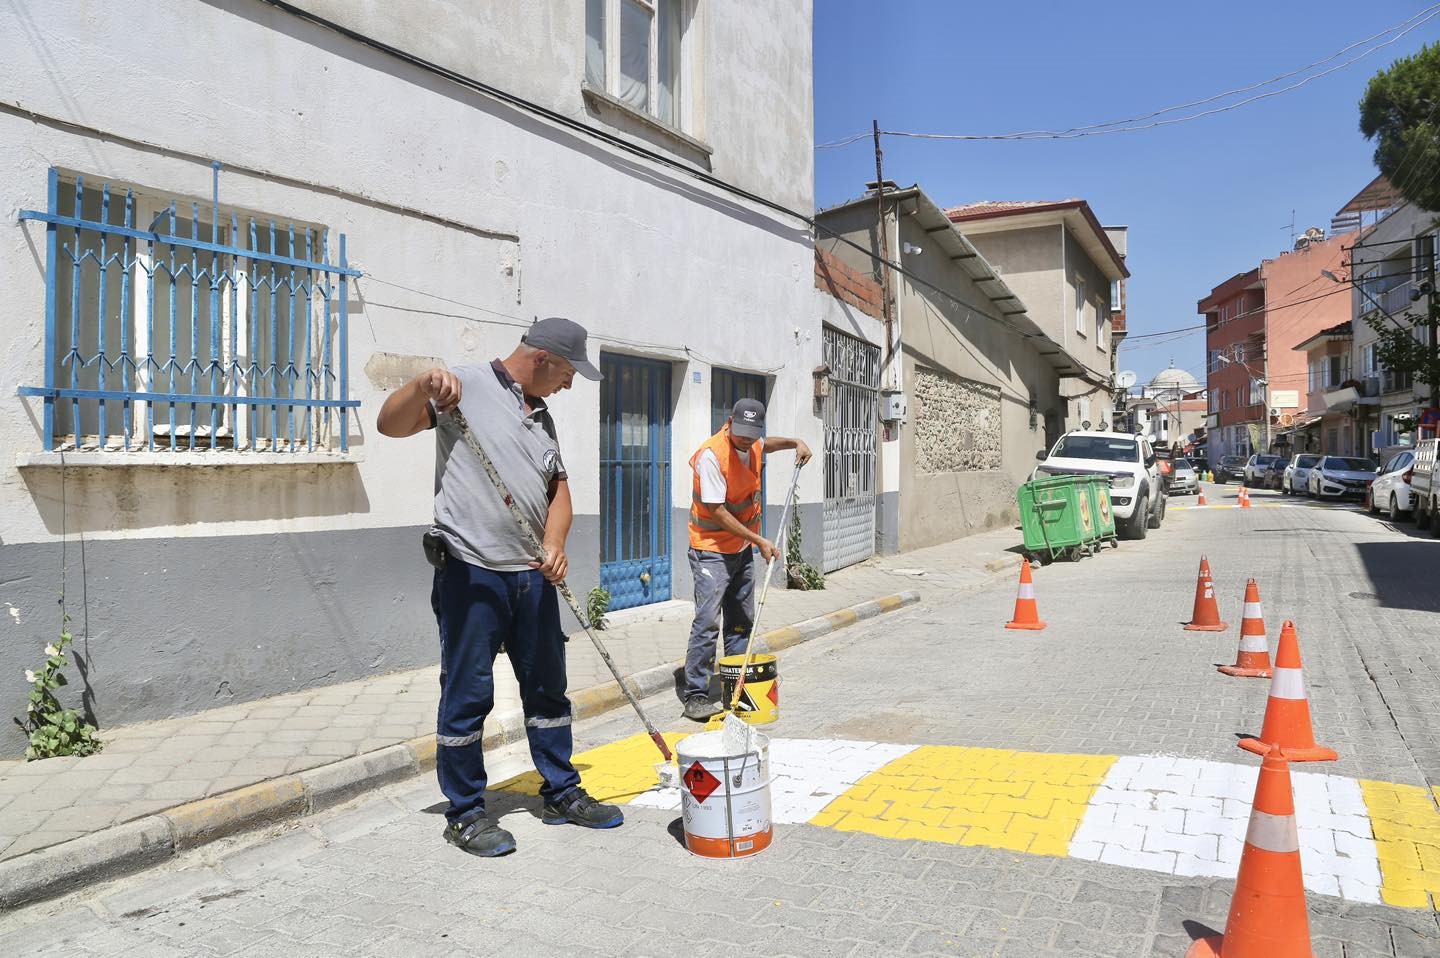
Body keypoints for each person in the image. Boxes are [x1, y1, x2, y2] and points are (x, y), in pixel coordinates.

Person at [377, 317, 622, 858]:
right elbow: (388, 426)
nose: (569, 384)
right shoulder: (460, 387)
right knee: (468, 695)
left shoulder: (541, 416)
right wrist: (421, 386)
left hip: (532, 575)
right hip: (471, 572)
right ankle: (465, 812)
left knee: (548, 690)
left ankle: (560, 791)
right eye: (567, 373)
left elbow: (559, 491)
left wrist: (555, 543)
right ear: (543, 360)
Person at [682, 398, 810, 721]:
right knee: (708, 620)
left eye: (751, 435)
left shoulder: (753, 444)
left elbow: (768, 445)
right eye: (740, 433)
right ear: (729, 422)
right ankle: (695, 693)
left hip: (740, 550)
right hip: (710, 549)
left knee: (740, 620)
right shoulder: (712, 456)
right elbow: (718, 512)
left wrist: (796, 442)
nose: (746, 440)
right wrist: (759, 541)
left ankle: (734, 686)